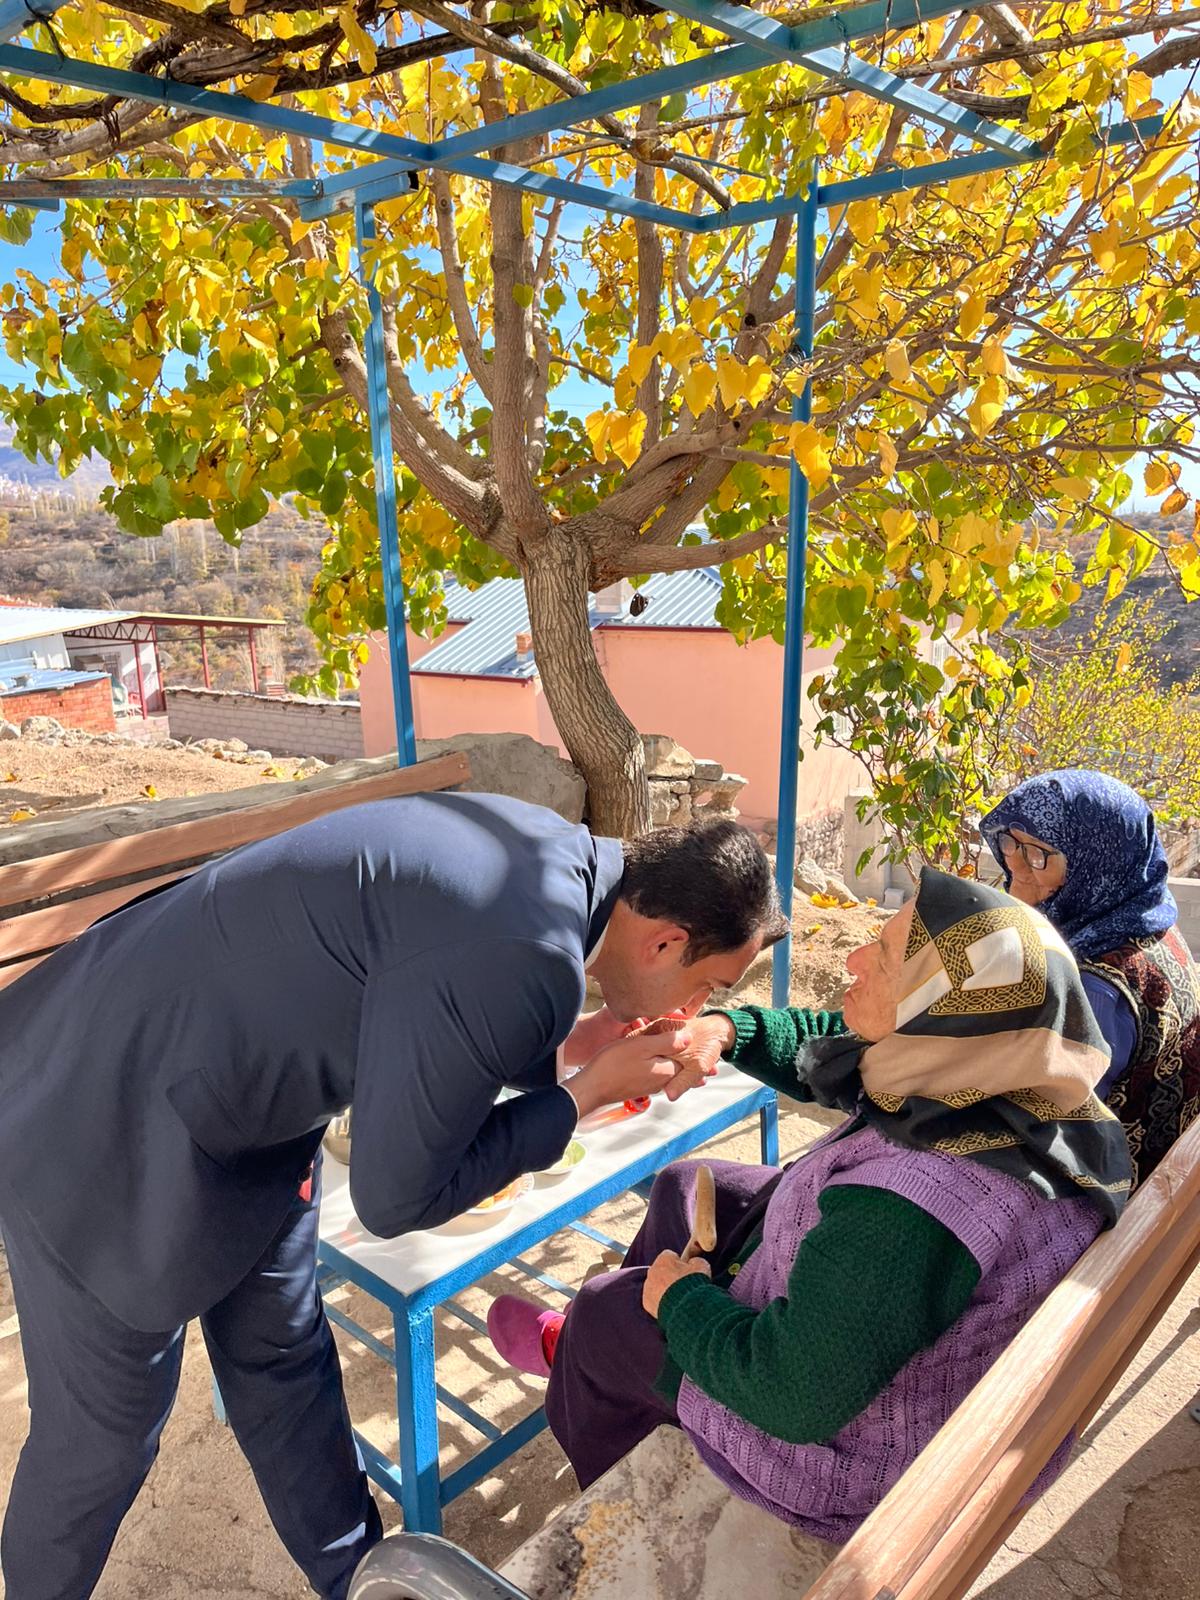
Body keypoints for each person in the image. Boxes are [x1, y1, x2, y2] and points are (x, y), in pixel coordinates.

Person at [0, 793, 784, 1600]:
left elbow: (431, 989)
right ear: (666, 941)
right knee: (103, 1438)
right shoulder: (531, 949)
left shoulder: (548, 857)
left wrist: (573, 1051)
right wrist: (583, 1095)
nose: (691, 1012)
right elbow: (398, 1197)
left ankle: (364, 1581)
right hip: (96, 1115)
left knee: (284, 1361)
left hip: (246, 1115)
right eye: (705, 986)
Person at [489, 869, 1131, 1547]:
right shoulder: (995, 1076)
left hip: (850, 1456)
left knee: (605, 1312)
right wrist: (726, 1028)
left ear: (941, 1006)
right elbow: (841, 1043)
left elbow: (794, 1396)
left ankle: (616, 1448)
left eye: (884, 957)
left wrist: (681, 1304)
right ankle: (634, 1381)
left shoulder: (913, 1211)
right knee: (685, 1185)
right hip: (898, 1355)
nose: (855, 959)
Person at [980, 769, 1200, 1183]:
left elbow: (1041, 1131)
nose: (1016, 870)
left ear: (1097, 862)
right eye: (1010, 843)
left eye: (1038, 854)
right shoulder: (1147, 920)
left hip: (1111, 1195)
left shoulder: (1093, 990)